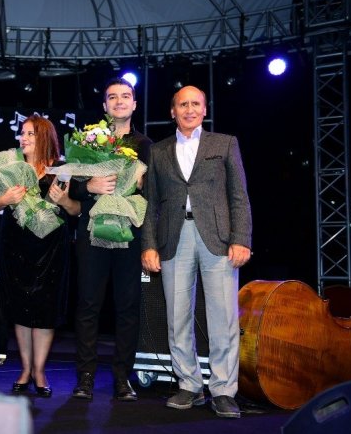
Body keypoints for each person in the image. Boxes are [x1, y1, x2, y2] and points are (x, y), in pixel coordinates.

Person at [140, 85, 252, 418]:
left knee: (223, 317)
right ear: (172, 111)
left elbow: (239, 196)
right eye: (182, 104)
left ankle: (223, 390)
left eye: (195, 104)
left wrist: (241, 238)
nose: (189, 109)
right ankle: (189, 384)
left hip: (218, 238)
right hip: (173, 237)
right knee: (177, 317)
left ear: (204, 109)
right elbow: (151, 204)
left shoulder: (225, 143)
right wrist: (148, 245)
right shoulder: (158, 151)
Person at [69, 78, 153, 401]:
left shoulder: (146, 145)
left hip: (129, 233)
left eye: (125, 96)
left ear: (134, 104)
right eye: (113, 97)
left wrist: (141, 184)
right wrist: (88, 186)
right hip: (92, 232)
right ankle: (85, 377)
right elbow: (71, 187)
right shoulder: (89, 140)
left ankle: (122, 378)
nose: (119, 101)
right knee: (88, 304)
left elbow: (154, 193)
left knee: (128, 306)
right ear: (104, 105)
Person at [0, 115, 80, 397]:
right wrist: (5, 199)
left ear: (45, 138)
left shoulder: (61, 170)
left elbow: (76, 210)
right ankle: (25, 369)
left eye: (30, 133)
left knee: (44, 309)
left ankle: (39, 371)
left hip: (51, 250)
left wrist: (64, 200)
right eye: (22, 133)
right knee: (20, 307)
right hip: (14, 246)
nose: (24, 138)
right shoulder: (9, 168)